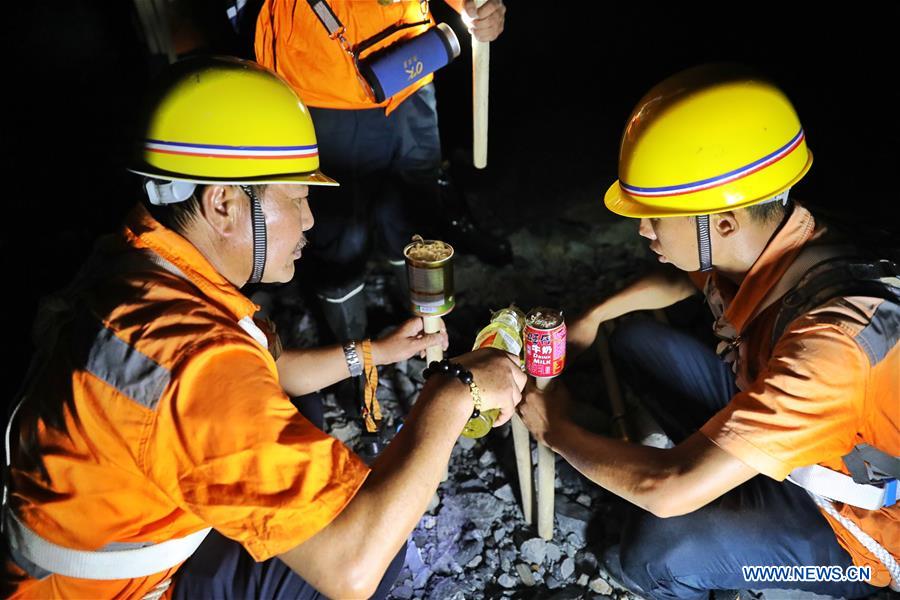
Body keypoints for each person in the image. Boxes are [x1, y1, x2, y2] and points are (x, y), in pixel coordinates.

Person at [1, 56, 525, 599]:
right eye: (297, 198)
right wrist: (453, 391)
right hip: (121, 592)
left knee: (305, 414)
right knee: (376, 531)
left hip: (118, 525)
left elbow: (268, 370)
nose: (310, 220)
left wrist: (377, 351)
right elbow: (352, 568)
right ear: (224, 203)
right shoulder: (192, 360)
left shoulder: (147, 262)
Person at [517, 65, 898, 599]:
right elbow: (680, 278)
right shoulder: (772, 241)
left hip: (855, 532)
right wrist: (594, 316)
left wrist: (554, 429)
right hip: (798, 443)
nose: (642, 230)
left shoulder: (832, 346)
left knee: (655, 553)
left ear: (722, 221)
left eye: (654, 216)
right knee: (633, 339)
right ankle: (725, 476)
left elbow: (668, 489)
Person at [254, 0, 509, 343]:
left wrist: (474, 6)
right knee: (340, 234)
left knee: (415, 212)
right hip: (326, 83)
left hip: (410, 66)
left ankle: (427, 335)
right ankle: (354, 363)